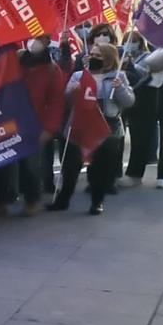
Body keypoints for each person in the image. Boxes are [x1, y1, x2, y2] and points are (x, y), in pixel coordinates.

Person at [49, 43, 135, 215]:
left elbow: (129, 102)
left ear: (109, 59)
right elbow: (66, 100)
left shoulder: (118, 76)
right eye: (92, 54)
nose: (94, 57)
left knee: (101, 169)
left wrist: (120, 89)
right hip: (79, 125)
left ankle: (97, 201)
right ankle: (63, 199)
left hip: (106, 127)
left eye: (99, 55)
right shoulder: (80, 75)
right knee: (71, 166)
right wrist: (72, 91)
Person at [0, 36, 64, 217]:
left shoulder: (53, 70)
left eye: (40, 39)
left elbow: (56, 102)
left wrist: (48, 129)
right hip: (8, 122)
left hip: (33, 125)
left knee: (31, 166)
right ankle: (1, 201)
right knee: (3, 164)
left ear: (47, 44)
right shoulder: (16, 61)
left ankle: (31, 201)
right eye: (32, 37)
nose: (35, 42)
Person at [121, 39, 163, 189]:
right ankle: (135, 174)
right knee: (140, 134)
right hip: (148, 91)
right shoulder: (157, 37)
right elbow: (151, 63)